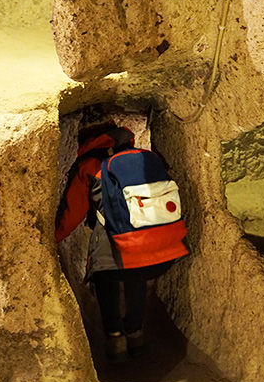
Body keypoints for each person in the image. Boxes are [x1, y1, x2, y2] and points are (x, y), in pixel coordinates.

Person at [56, 121, 189, 362]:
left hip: (111, 242)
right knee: (135, 280)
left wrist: (53, 238)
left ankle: (115, 340)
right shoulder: (145, 159)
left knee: (106, 282)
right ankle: (136, 336)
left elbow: (73, 211)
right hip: (148, 241)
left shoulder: (89, 164)